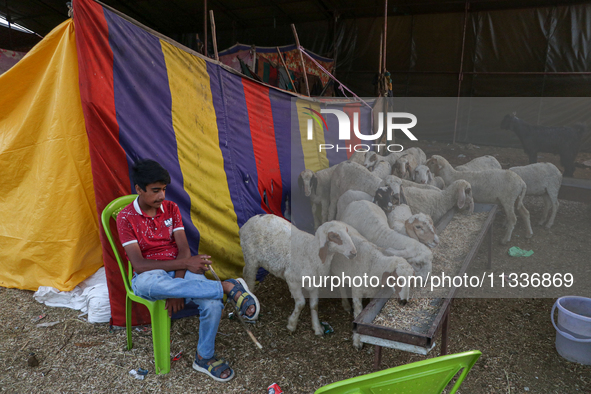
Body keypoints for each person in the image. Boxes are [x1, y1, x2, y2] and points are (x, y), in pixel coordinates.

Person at [116, 159, 260, 382]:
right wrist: (179, 276)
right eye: (155, 190)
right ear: (139, 189)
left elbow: (183, 250)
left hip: (179, 270)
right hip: (151, 274)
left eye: (164, 189)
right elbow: (140, 266)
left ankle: (204, 357)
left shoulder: (171, 209)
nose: (162, 196)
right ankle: (225, 286)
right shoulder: (126, 218)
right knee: (146, 284)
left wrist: (179, 288)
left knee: (213, 303)